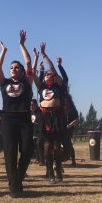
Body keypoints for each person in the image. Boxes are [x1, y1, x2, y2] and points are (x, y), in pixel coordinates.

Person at [0, 30, 33, 198]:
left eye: (17, 68)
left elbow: (28, 62)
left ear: (22, 72)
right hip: (8, 120)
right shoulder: (4, 83)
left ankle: (18, 177)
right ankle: (14, 187)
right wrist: (3, 51)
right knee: (10, 153)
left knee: (26, 150)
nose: (13, 70)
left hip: (24, 119)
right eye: (11, 68)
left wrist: (21, 45)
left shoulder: (27, 82)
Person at [32, 42, 66, 183]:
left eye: (50, 75)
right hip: (44, 119)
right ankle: (50, 173)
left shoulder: (58, 85)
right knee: (47, 148)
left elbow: (52, 69)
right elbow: (33, 74)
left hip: (57, 118)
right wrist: (35, 58)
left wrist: (45, 55)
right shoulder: (41, 87)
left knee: (57, 147)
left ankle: (58, 168)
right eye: (45, 75)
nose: (48, 75)